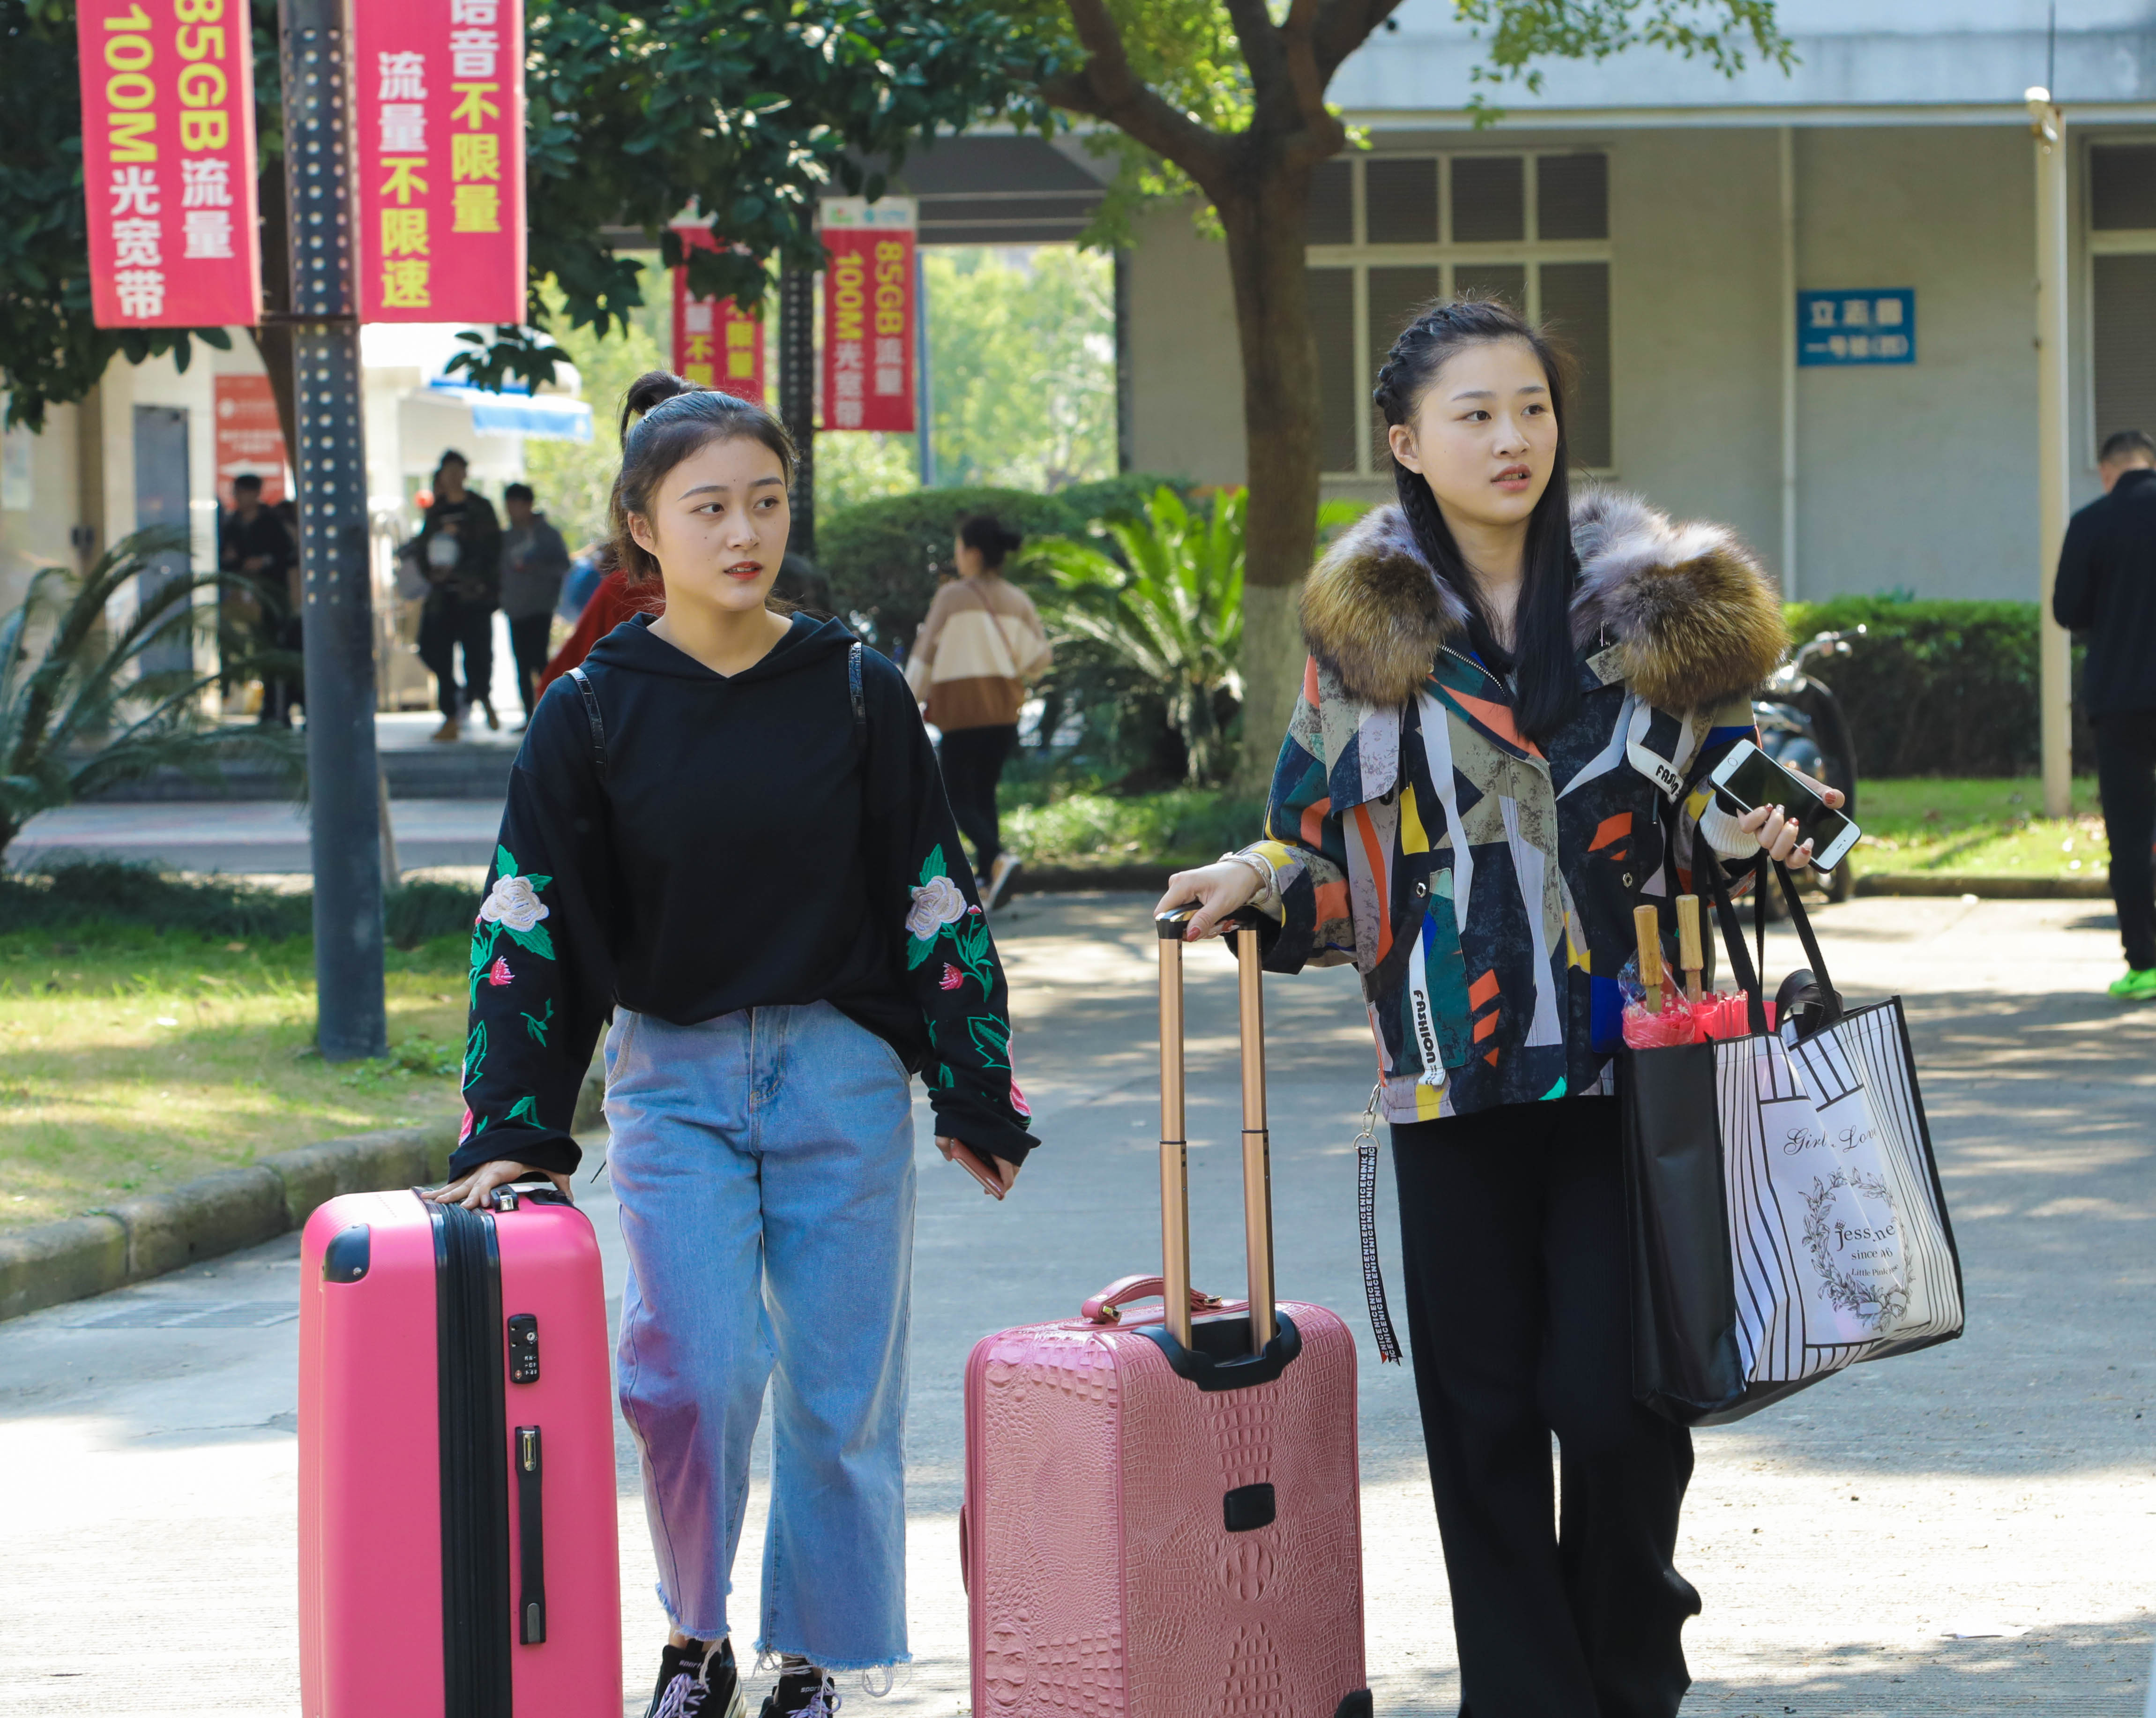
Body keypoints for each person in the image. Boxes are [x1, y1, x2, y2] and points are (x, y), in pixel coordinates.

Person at [1157, 297, 1841, 1718]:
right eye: (1472, 414)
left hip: (1634, 1065)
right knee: (1479, 1418)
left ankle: (1628, 1664)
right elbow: (1317, 841)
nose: (1511, 436)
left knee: (1616, 1400)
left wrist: (1756, 829)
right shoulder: (1362, 636)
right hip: (1447, 1066)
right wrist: (1252, 876)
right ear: (1406, 442)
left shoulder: (1662, 611)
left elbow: (1720, 801)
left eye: (1531, 406)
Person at [426, 370, 1037, 1718]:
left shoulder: (858, 690)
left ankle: (810, 1659)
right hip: (676, 1077)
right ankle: (693, 1632)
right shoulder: (592, 709)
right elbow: (532, 917)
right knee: (687, 1374)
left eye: (766, 501)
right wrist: (511, 1128)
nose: (744, 531)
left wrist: (972, 1084)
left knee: (839, 1390)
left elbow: (931, 885)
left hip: (840, 1075)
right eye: (708, 507)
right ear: (644, 526)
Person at [2053, 426, 2156, 1001]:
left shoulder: (2091, 521)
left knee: (2129, 832)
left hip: (2119, 700)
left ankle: (2143, 963)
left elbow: (2066, 609)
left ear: (2106, 471)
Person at [905, 515, 1052, 910]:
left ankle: (998, 857)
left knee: (954, 796)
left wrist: (907, 700)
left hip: (962, 711)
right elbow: (1039, 659)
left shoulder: (952, 597)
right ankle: (991, 880)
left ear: (971, 553)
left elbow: (924, 656)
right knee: (984, 794)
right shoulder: (1017, 599)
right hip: (1003, 710)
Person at [415, 449, 503, 742]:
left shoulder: (480, 508)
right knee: (435, 652)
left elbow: (493, 548)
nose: (453, 477)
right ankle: (451, 712)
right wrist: (432, 572)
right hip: (442, 597)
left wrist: (462, 538)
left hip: (474, 596)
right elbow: (422, 547)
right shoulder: (436, 511)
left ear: (465, 473)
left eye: (457, 471)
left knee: (478, 654)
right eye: (448, 472)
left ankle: (482, 696)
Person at [218, 473, 298, 724]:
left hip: (272, 597)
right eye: (237, 493)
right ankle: (261, 704)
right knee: (253, 651)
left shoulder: (271, 522)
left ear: (255, 494)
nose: (240, 498)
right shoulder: (232, 523)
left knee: (276, 650)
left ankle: (278, 707)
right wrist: (233, 561)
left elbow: (288, 555)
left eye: (244, 493)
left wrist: (265, 561)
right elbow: (225, 559)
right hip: (244, 596)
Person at [498, 481, 572, 727]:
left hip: (541, 606)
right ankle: (529, 718)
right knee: (521, 663)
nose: (512, 511)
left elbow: (563, 566)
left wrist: (537, 567)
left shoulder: (548, 535)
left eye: (516, 505)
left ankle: (550, 715)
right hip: (515, 609)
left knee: (540, 661)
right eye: (509, 506)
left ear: (528, 504)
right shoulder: (506, 538)